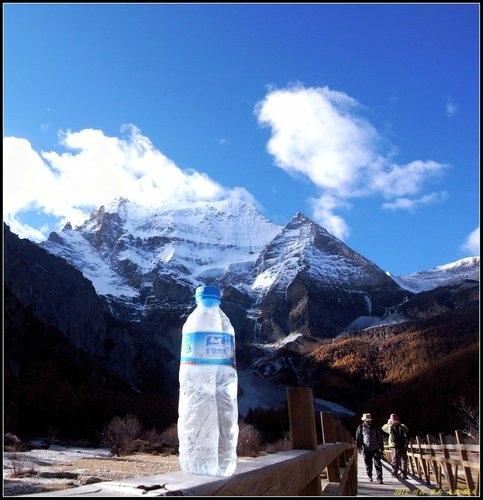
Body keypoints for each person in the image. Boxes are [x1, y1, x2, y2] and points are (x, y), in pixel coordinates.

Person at [355, 413, 385, 484]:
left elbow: (379, 437)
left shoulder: (375, 427)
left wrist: (381, 447)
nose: (368, 422)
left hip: (375, 447)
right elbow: (358, 438)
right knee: (368, 463)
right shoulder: (360, 427)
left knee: (378, 463)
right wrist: (359, 447)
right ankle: (369, 476)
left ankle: (379, 478)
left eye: (369, 421)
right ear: (364, 421)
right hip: (366, 448)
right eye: (367, 421)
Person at [382, 413, 410, 479]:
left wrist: (389, 423)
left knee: (395, 459)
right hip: (403, 445)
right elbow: (407, 430)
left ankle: (394, 473)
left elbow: (383, 428)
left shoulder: (389, 426)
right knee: (404, 460)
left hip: (394, 445)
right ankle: (404, 475)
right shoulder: (402, 425)